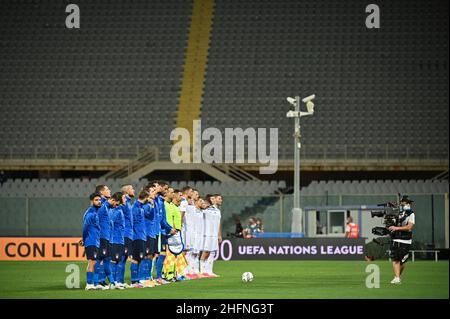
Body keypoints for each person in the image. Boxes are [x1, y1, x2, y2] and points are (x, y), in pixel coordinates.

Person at [95, 191, 122, 289]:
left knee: (107, 260)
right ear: (113, 200)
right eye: (116, 204)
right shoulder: (103, 207)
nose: (116, 206)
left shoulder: (108, 208)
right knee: (98, 260)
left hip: (108, 238)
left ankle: (112, 282)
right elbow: (95, 220)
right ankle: (95, 282)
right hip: (102, 237)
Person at [388, 195, 415, 284]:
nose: (401, 203)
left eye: (402, 201)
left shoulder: (405, 213)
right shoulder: (410, 213)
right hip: (406, 240)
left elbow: (409, 227)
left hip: (399, 239)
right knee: (401, 260)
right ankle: (397, 277)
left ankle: (397, 277)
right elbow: (409, 226)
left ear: (405, 202)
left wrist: (396, 228)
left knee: (397, 260)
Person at [81, 193, 102, 290]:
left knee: (96, 262)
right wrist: (84, 240)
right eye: (96, 200)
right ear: (91, 201)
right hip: (91, 241)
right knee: (91, 262)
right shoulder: (90, 213)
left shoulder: (95, 213)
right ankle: (89, 284)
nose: (99, 201)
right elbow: (85, 228)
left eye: (99, 200)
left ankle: (94, 283)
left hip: (96, 241)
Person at [130, 189, 149, 288]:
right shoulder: (135, 208)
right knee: (135, 259)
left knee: (140, 258)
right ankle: (133, 282)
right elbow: (131, 223)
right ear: (145, 198)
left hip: (141, 236)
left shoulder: (140, 207)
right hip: (136, 237)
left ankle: (137, 280)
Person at [119, 184, 134, 288]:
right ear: (126, 191)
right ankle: (117, 281)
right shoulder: (123, 204)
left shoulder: (128, 203)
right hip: (124, 234)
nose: (134, 190)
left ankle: (120, 281)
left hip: (129, 234)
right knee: (121, 258)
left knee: (124, 259)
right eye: (131, 189)